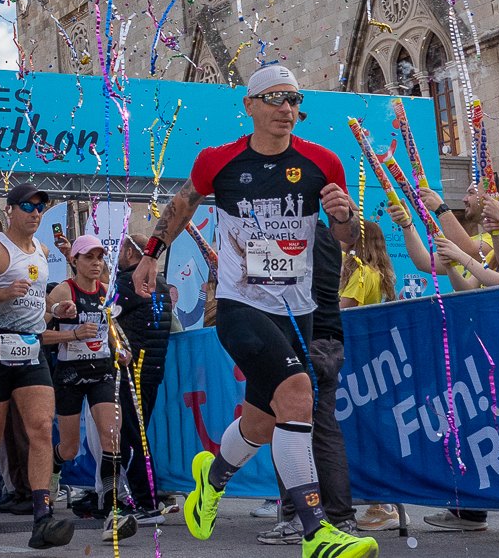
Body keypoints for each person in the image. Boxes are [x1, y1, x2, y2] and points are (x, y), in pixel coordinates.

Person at [131, 65, 374, 558]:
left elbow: (348, 240)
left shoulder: (323, 162)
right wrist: (152, 254)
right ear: (250, 105)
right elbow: (182, 205)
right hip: (240, 304)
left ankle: (212, 478)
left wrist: (345, 216)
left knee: (263, 422)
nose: (287, 109)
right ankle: (316, 532)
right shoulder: (218, 160)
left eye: (295, 100)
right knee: (298, 393)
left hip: (297, 310)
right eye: (276, 98)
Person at [0, 183, 74, 550]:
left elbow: (35, 301)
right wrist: (0, 293)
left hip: (32, 350)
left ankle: (42, 516)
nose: (35, 213)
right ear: (10, 209)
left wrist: (56, 309)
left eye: (40, 207)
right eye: (28, 206)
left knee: (41, 428)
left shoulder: (42, 251)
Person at [259, 226, 357, 544]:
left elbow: (266, 289)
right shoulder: (326, 235)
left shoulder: (287, 231)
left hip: (299, 340)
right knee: (325, 431)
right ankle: (341, 518)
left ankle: (297, 518)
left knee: (288, 429)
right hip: (328, 339)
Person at [45, 234, 135, 544]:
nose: (96, 263)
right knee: (69, 448)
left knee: (112, 436)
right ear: (75, 261)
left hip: (101, 373)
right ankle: (50, 476)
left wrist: (120, 348)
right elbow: (40, 334)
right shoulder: (63, 291)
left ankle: (111, 512)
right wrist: (72, 334)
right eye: (89, 257)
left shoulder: (107, 291)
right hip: (70, 374)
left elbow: (111, 330)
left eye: (99, 257)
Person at [112, 234, 178, 526]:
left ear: (130, 253)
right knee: (137, 434)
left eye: (120, 250)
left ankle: (146, 504)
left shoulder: (129, 282)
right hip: (151, 370)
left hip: (132, 370)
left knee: (131, 437)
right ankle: (147, 497)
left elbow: (103, 311)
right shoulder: (161, 283)